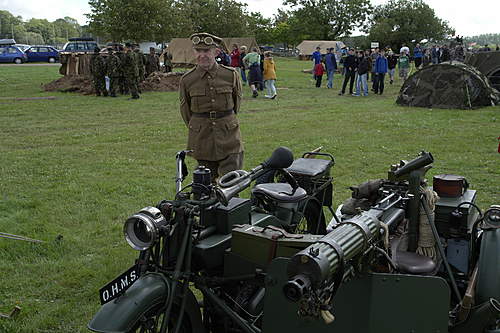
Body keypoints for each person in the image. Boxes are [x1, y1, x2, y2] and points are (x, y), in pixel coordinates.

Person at [178, 32, 243, 183]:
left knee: (232, 183)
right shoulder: (187, 80)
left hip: (229, 136)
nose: (202, 55)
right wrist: (198, 126)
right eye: (198, 51)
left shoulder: (230, 75)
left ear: (216, 52)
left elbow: (236, 103)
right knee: (203, 186)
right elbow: (186, 110)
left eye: (206, 51)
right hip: (202, 138)